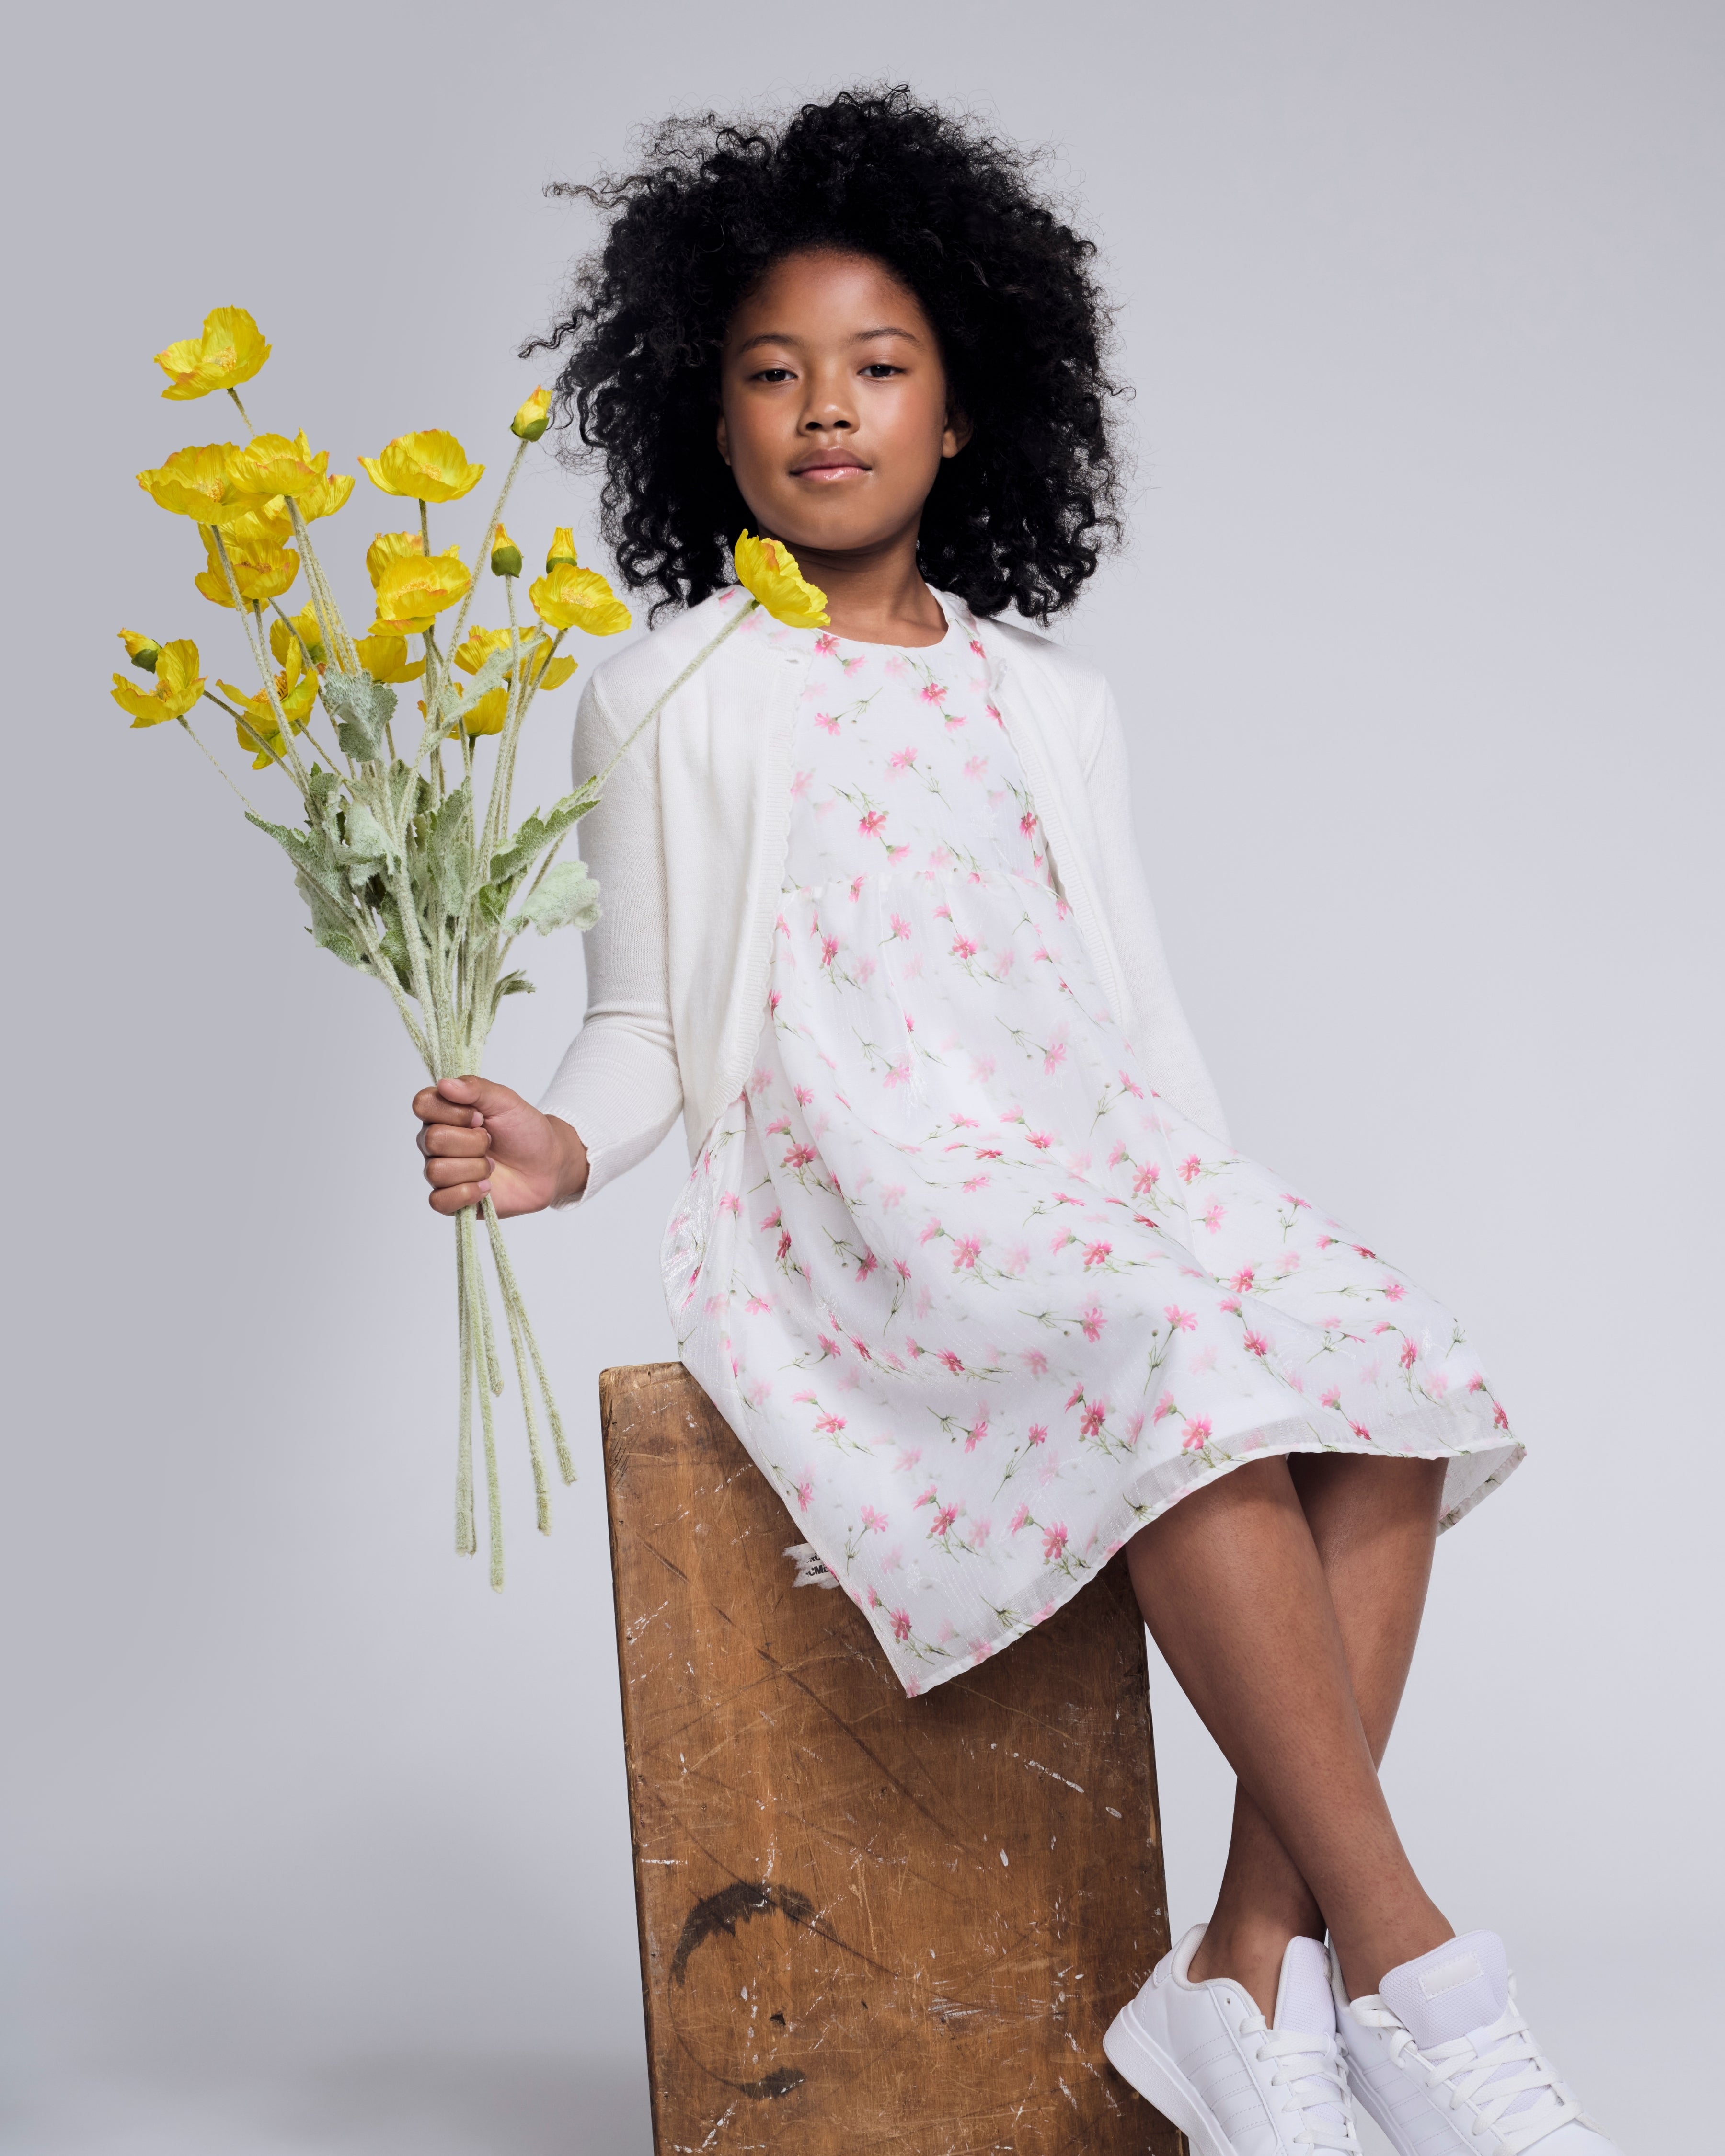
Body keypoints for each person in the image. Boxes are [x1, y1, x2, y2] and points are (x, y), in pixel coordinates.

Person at [413, 90, 1621, 2156]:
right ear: (705, 418)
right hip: (860, 1191)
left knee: (1385, 1376)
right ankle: (1419, 1970)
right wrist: (557, 1144)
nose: (826, 412)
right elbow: (640, 1020)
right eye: (773, 374)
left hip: (1090, 1165)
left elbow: (1137, 1017)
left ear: (966, 416)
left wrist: (1238, 1231)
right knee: (1179, 1366)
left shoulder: (1051, 703)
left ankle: (1243, 1982)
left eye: (880, 371)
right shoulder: (672, 692)